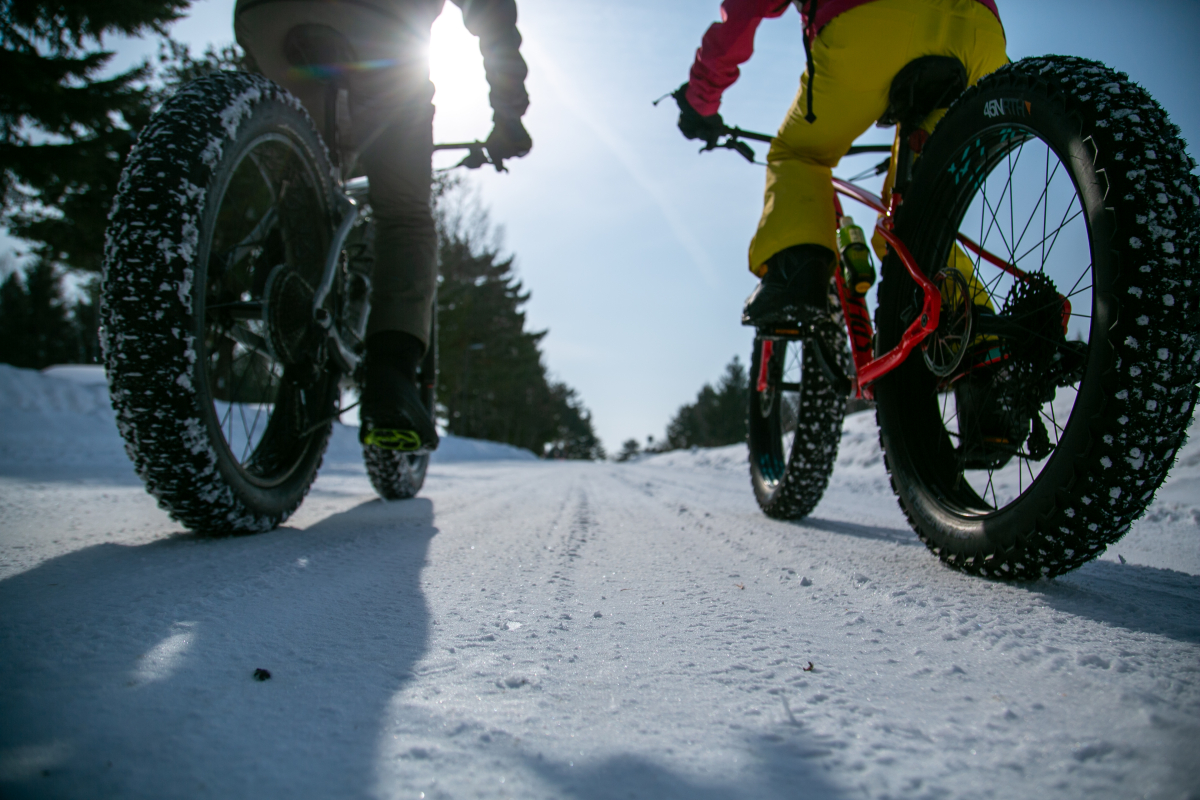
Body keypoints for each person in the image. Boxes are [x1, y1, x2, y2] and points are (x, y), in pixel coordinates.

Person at [234, 0, 532, 452]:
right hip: (379, 25)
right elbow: (491, 13)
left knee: (306, 184)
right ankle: (391, 375)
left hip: (269, 16)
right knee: (405, 213)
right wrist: (508, 116)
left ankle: (277, 263)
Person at [675, 0, 1006, 327]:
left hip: (875, 23)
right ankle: (981, 337)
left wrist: (700, 100)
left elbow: (744, 10)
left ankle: (797, 281)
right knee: (916, 212)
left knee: (799, 154)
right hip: (980, 36)